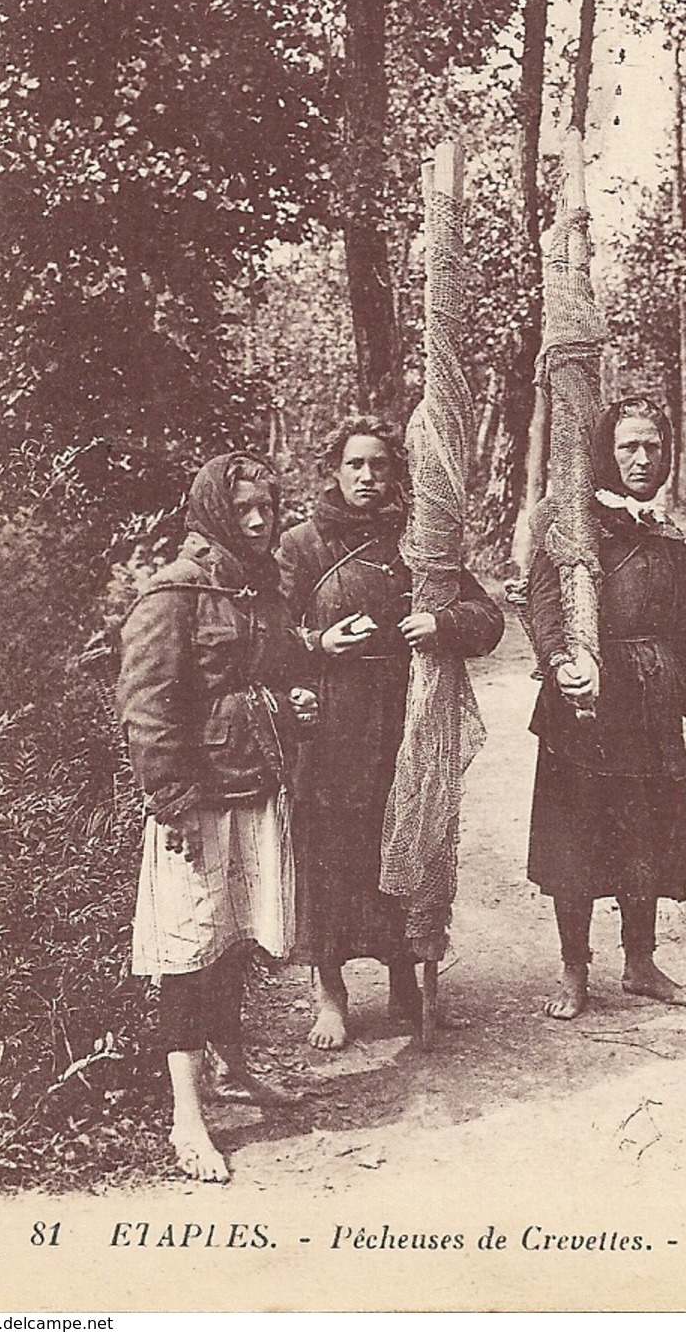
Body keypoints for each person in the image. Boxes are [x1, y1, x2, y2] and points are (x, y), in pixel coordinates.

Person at [118, 451, 319, 1182]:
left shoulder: (259, 586)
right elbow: (147, 712)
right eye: (244, 510)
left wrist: (294, 705)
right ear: (212, 513)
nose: (261, 520)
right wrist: (170, 803)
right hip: (195, 805)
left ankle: (234, 1073)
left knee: (233, 941)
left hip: (254, 791)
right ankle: (187, 1118)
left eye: (269, 506)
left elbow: (273, 673)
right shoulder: (173, 595)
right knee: (186, 955)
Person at [278, 414, 504, 1051]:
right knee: (328, 852)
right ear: (335, 470)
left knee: (404, 844)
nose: (367, 477)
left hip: (406, 721)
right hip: (329, 725)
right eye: (355, 464)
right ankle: (330, 991)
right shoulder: (303, 546)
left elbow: (487, 619)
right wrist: (318, 642)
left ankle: (408, 986)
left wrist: (441, 624)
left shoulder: (419, 543)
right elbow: (266, 636)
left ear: (396, 473)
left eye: (379, 465)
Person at [526, 396, 686, 1019]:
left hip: (651, 705)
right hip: (585, 703)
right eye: (628, 446)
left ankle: (640, 962)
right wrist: (563, 664)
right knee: (576, 837)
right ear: (606, 454)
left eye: (652, 446)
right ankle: (574, 971)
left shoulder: (664, 534)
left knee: (647, 835)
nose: (641, 458)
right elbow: (545, 605)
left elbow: (683, 627)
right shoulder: (575, 524)